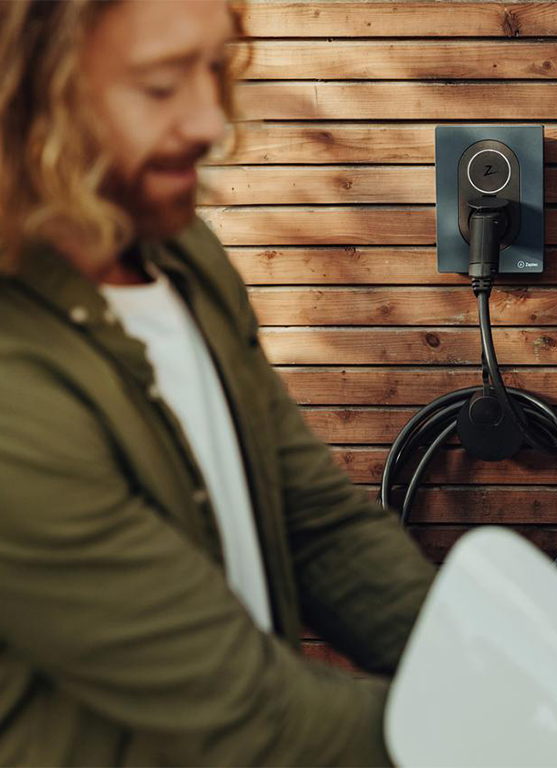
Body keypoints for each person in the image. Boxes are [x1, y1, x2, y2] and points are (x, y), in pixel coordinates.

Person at [0, 2, 435, 764]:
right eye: (161, 85)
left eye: (214, 67)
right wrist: (518, 739)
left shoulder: (181, 254)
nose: (211, 120)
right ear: (28, 88)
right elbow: (246, 713)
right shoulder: (14, 387)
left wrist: (507, 672)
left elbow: (316, 526)